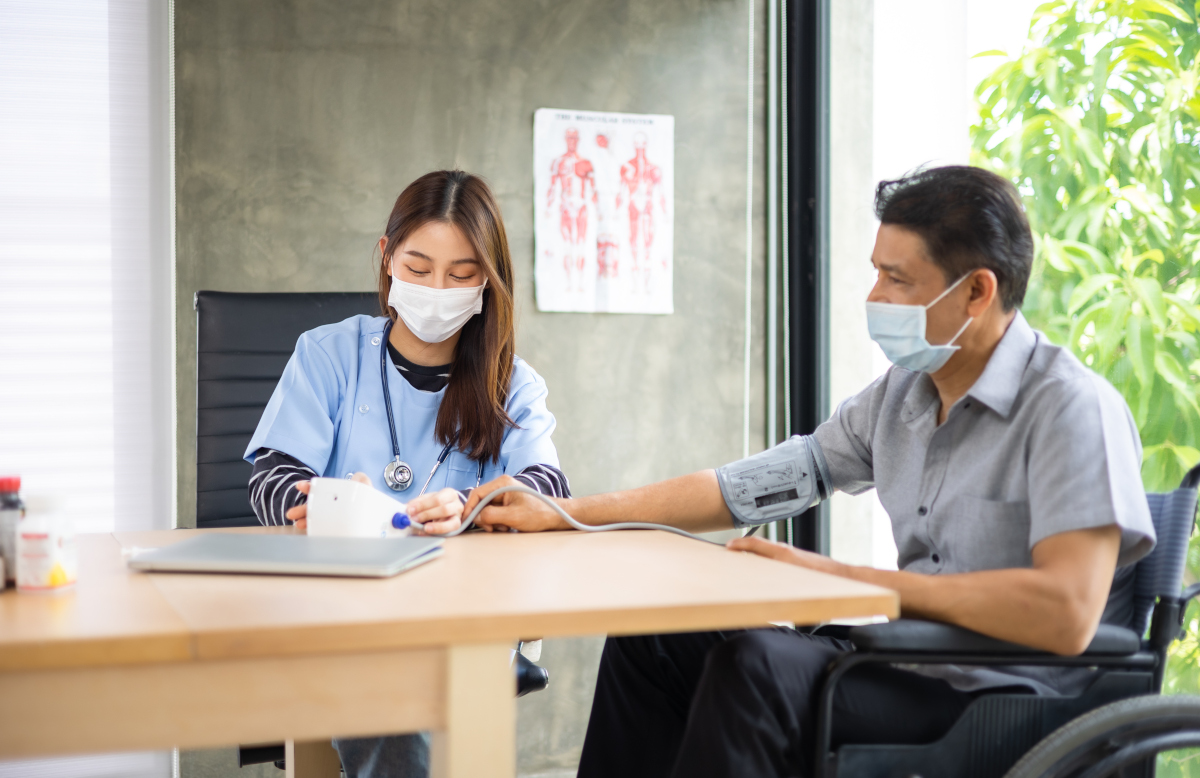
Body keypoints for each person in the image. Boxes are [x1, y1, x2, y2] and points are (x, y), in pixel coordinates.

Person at [464, 166, 1156, 778]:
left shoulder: (1070, 407)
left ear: (977, 291)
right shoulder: (902, 396)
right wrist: (569, 511)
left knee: (760, 668)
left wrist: (850, 583)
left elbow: (1066, 614)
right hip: (899, 660)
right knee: (654, 641)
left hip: (1004, 696)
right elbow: (753, 485)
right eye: (876, 271)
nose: (875, 296)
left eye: (897, 278)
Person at [243, 170, 569, 777]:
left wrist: (470, 507)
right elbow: (271, 478)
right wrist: (323, 500)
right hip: (340, 618)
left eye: (462, 274)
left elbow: (549, 494)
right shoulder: (328, 354)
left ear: (488, 282)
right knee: (389, 699)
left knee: (405, 701)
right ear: (388, 258)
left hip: (461, 618)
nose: (437, 288)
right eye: (418, 269)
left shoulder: (511, 384)